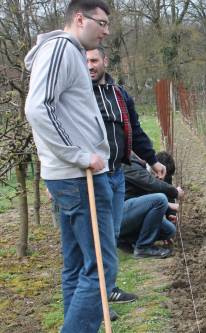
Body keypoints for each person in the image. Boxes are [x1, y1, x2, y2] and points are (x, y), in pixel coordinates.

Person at [24, 0, 116, 331]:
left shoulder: (67, 51)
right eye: (102, 23)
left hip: (70, 177)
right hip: (80, 177)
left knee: (77, 266)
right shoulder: (62, 49)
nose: (106, 31)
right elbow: (38, 109)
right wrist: (78, 155)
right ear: (80, 18)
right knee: (102, 269)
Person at [87, 46, 166, 306]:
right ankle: (95, 298)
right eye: (85, 61)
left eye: (94, 60)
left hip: (116, 174)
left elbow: (135, 129)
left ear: (105, 61)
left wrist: (153, 160)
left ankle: (108, 289)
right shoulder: (78, 94)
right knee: (94, 237)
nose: (90, 66)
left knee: (111, 234)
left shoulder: (119, 95)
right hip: (90, 177)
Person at [121, 152, 184, 257]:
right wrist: (174, 193)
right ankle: (143, 247)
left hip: (134, 212)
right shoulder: (129, 164)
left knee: (169, 230)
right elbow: (151, 186)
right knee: (160, 200)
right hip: (121, 213)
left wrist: (170, 214)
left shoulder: (159, 169)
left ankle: (128, 239)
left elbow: (165, 189)